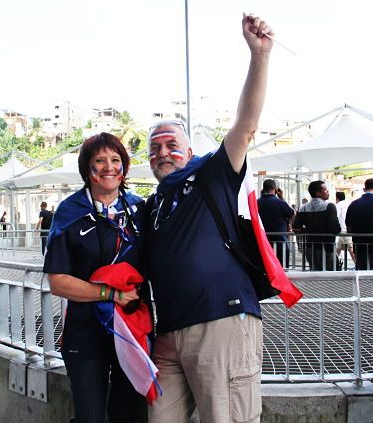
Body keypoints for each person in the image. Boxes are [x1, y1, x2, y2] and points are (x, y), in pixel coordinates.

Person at [145, 14, 273, 422]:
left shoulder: (211, 174)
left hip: (221, 322)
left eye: (171, 145)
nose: (162, 153)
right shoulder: (154, 205)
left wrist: (259, 56)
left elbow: (246, 124)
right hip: (168, 334)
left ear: (189, 148)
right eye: (154, 148)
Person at [43, 133, 148, 423]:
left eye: (115, 160)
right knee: (90, 416)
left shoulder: (140, 209)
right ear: (86, 169)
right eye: (99, 161)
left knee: (130, 414)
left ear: (124, 167)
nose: (108, 167)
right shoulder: (69, 212)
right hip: (85, 332)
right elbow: (57, 282)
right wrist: (110, 294)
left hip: (132, 330)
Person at [292, 180, 341, 270]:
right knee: (329, 276)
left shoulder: (303, 208)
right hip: (327, 247)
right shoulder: (329, 206)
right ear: (318, 193)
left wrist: (308, 230)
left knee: (314, 274)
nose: (328, 192)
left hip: (310, 247)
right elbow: (335, 229)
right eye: (325, 190)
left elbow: (296, 228)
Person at [258, 179, 294, 268]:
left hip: (262, 241)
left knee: (265, 267)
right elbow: (291, 214)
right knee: (282, 268)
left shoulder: (256, 202)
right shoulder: (280, 202)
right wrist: (281, 197)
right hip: (280, 240)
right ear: (275, 189)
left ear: (263, 189)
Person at [335, 191, 356, 269]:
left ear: (337, 198)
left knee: (350, 248)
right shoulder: (349, 204)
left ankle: (357, 265)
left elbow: (336, 216)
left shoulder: (339, 205)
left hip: (343, 230)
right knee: (338, 248)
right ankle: (335, 263)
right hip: (346, 229)